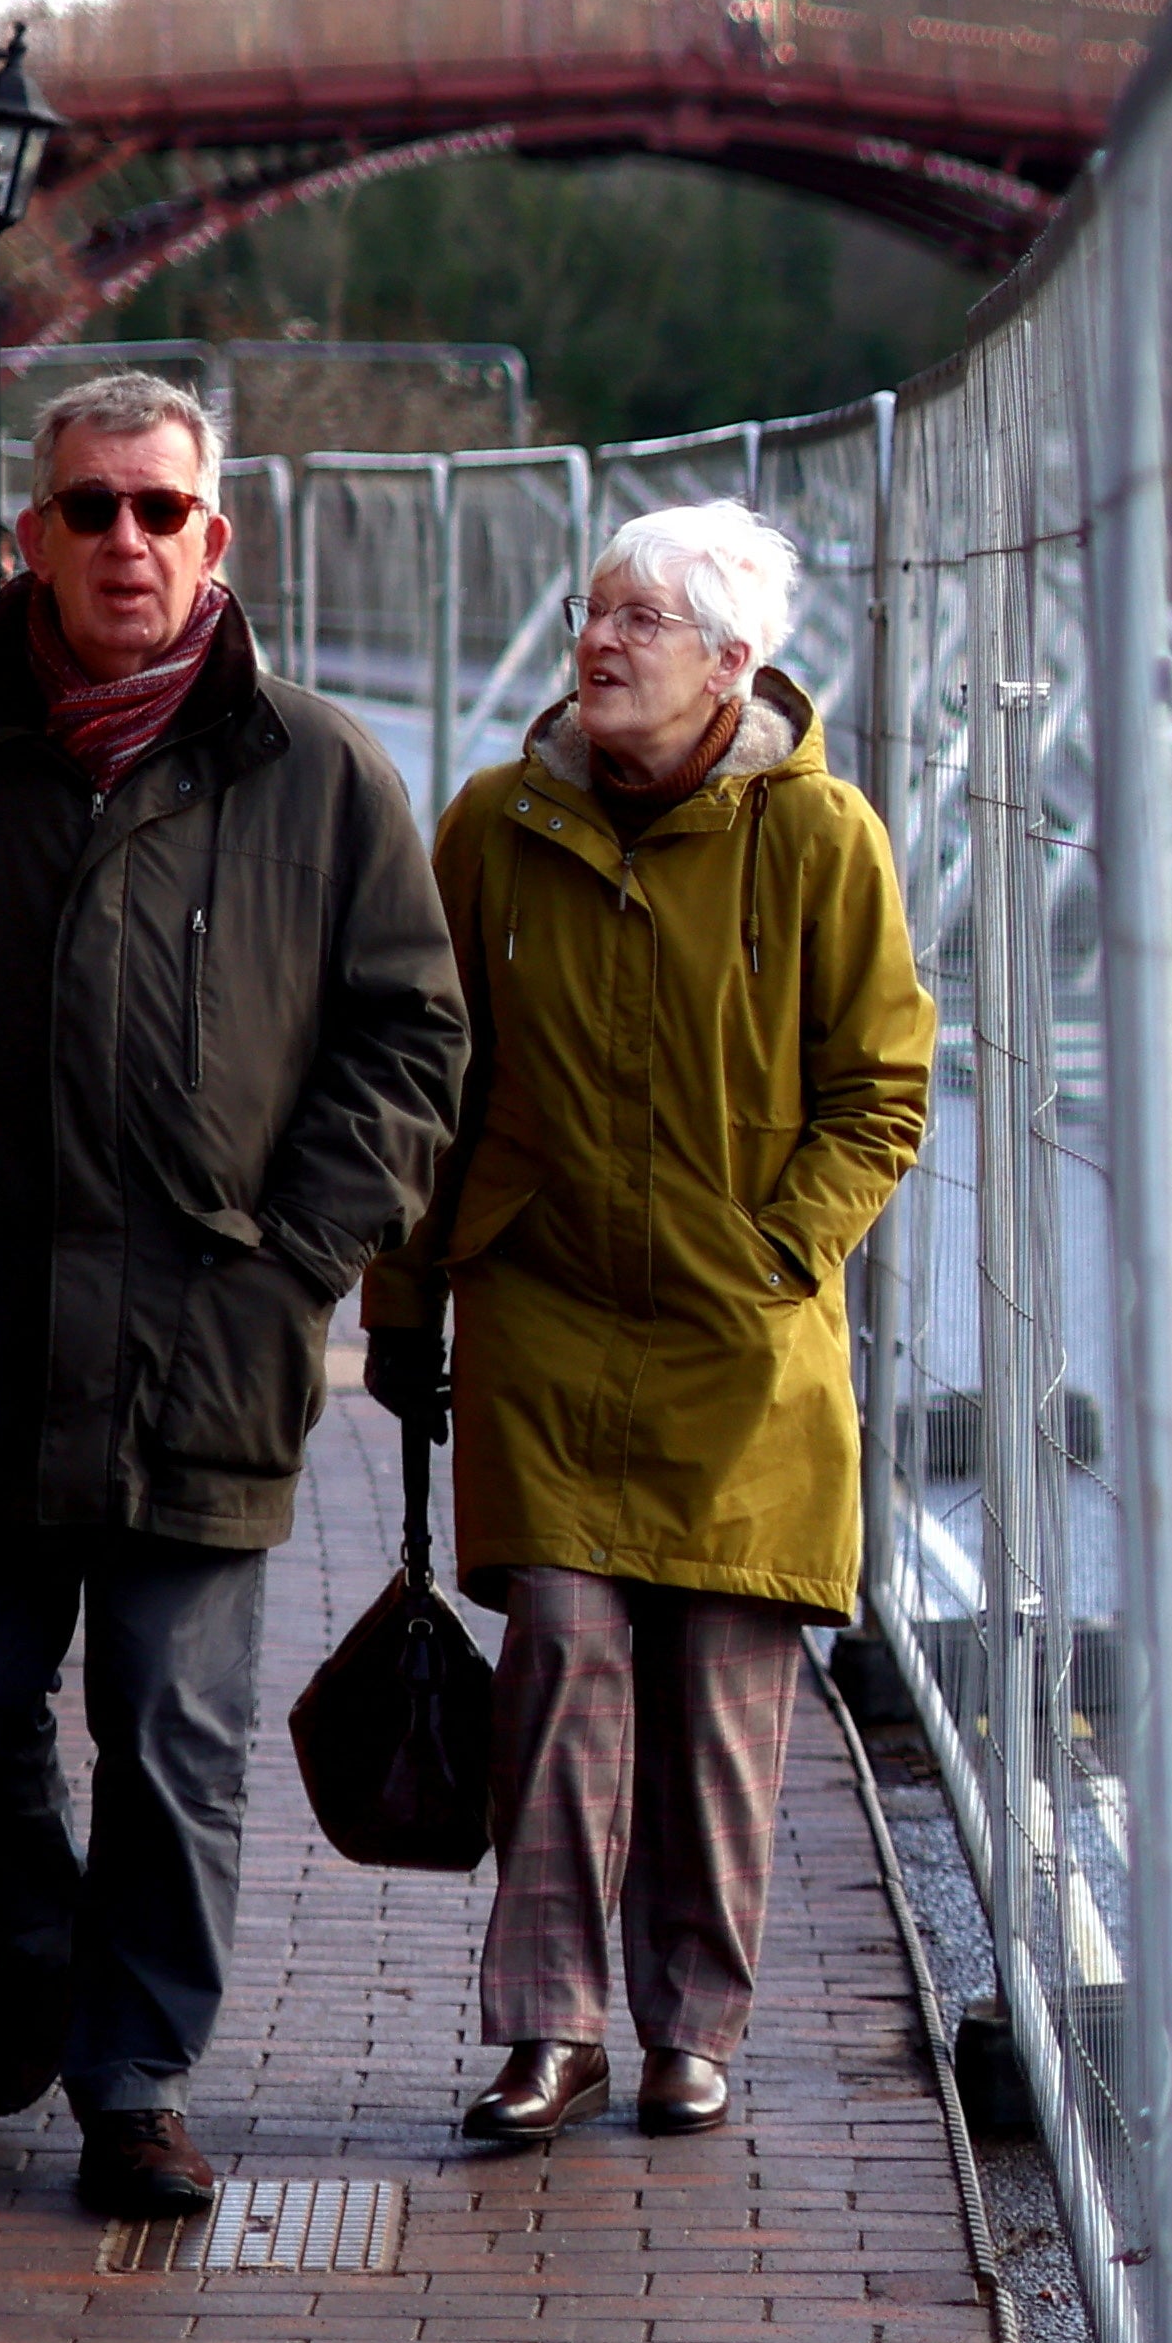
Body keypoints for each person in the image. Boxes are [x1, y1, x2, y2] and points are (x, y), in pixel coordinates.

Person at [0, 371, 466, 2222]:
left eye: (159, 509)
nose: (125, 538)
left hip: (212, 1342)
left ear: (216, 539)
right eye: (89, 508)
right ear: (32, 536)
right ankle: (38, 1938)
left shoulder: (321, 773)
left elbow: (412, 1038)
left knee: (171, 1726)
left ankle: (133, 2080)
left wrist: (299, 1253)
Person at [374, 499, 934, 2145]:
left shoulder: (821, 839)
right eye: (591, 615)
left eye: (640, 622)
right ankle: (550, 2026)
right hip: (544, 1316)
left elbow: (882, 1085)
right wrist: (403, 1301)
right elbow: (429, 1081)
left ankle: (693, 2022)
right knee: (556, 1655)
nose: (599, 646)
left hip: (740, 1342)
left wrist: (783, 1251)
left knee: (714, 1701)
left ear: (730, 664)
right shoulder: (494, 827)